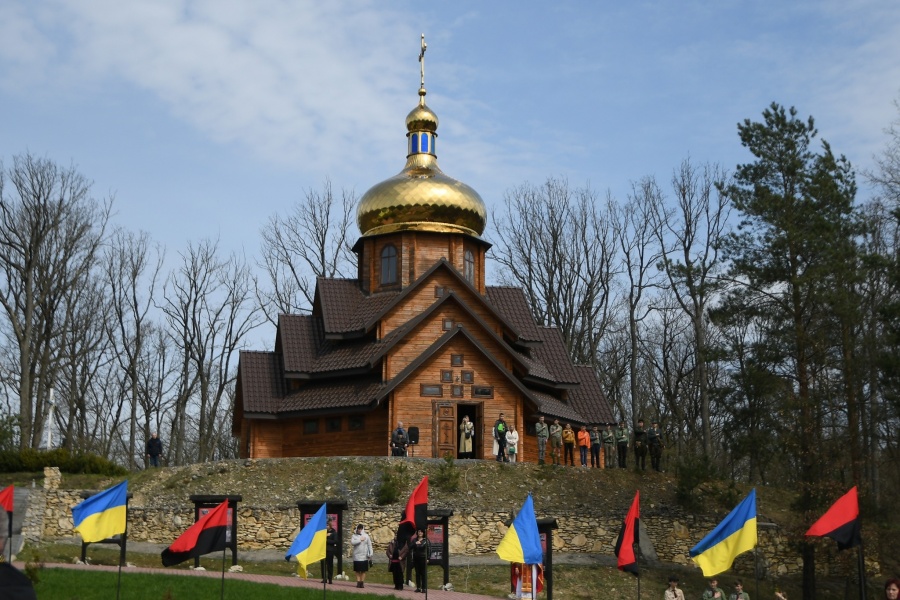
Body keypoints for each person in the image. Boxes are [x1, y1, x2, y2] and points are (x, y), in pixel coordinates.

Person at [350, 523, 373, 588]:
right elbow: (352, 543)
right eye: (358, 529)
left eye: (361, 529)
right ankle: (358, 582)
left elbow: (369, 545)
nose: (359, 530)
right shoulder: (354, 536)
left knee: (363, 570)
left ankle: (362, 582)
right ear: (357, 529)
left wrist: (370, 553)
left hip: (364, 556)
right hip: (357, 556)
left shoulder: (366, 536)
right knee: (357, 570)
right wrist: (360, 540)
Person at [409, 527, 430, 593]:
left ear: (423, 533)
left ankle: (424, 588)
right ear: (417, 533)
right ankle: (418, 587)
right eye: (419, 532)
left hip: (423, 558)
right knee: (417, 573)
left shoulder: (426, 540)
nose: (420, 533)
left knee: (423, 574)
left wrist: (428, 558)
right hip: (416, 559)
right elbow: (410, 547)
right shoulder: (414, 540)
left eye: (421, 532)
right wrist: (415, 543)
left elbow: (429, 549)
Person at [320, 517, 338, 584]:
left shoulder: (334, 532)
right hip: (323, 550)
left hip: (330, 550)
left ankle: (330, 578)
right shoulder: (323, 532)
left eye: (327, 525)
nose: (326, 526)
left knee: (330, 565)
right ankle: (324, 578)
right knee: (323, 564)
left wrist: (327, 540)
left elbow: (335, 541)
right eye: (326, 525)